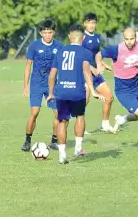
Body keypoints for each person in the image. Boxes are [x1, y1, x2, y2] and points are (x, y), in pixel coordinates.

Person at [47, 25, 105, 164]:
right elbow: (86, 71)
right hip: (77, 92)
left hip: (61, 91)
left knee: (62, 120)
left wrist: (50, 93)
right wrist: (93, 90)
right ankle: (78, 149)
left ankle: (62, 155)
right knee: (80, 116)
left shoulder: (60, 52)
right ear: (83, 38)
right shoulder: (85, 53)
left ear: (69, 37)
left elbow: (52, 75)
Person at [22, 18, 64, 152]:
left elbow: (63, 67)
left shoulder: (59, 46)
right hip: (37, 83)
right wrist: (25, 86)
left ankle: (54, 140)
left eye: (50, 32)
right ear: (40, 33)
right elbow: (28, 66)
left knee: (59, 113)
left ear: (54, 33)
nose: (47, 35)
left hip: (53, 84)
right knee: (34, 112)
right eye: (45, 32)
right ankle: (27, 141)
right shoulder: (34, 46)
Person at [81, 12, 114, 132]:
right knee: (84, 101)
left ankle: (105, 124)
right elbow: (79, 57)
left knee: (109, 97)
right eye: (89, 23)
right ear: (84, 23)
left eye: (93, 23)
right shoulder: (81, 38)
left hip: (96, 74)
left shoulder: (97, 37)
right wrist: (91, 68)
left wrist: (103, 64)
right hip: (84, 73)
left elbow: (96, 55)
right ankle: (81, 128)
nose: (91, 25)